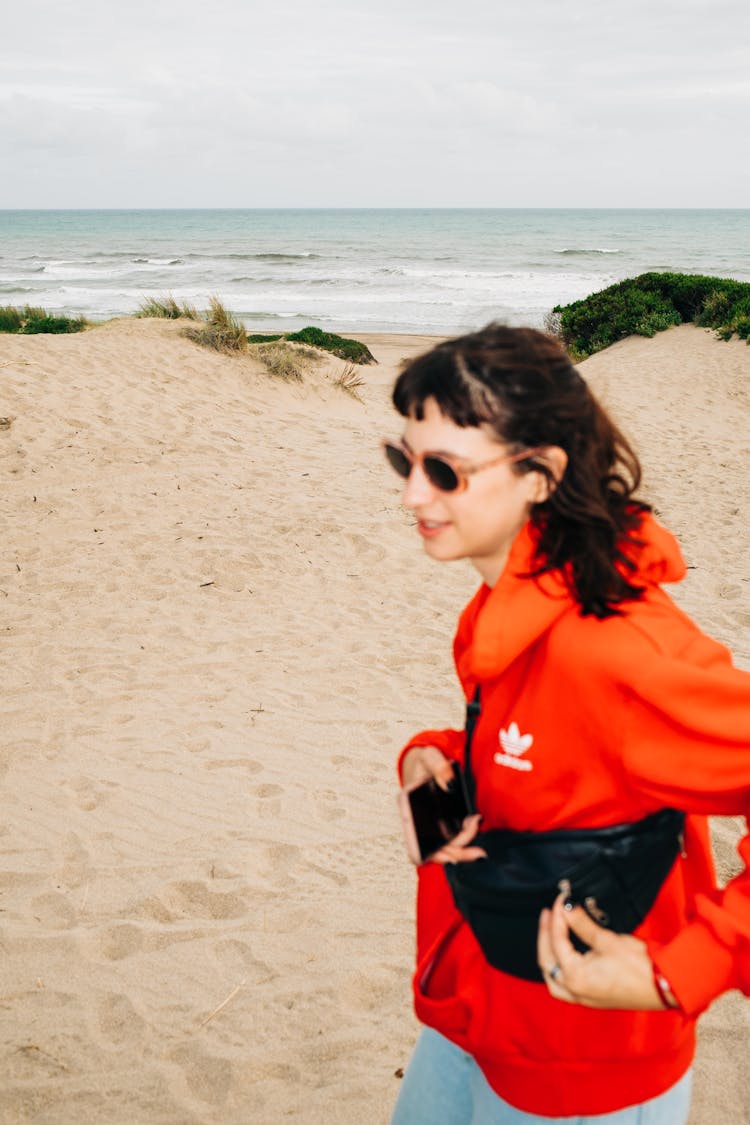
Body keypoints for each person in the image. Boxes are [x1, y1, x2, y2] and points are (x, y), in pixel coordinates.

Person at [384, 324, 750, 1124]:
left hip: (587, 1066)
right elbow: (553, 750)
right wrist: (433, 759)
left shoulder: (619, 648)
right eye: (402, 459)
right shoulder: (507, 603)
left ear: (541, 474)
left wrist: (686, 966)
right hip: (480, 1013)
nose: (413, 493)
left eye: (444, 469)